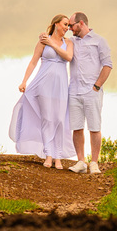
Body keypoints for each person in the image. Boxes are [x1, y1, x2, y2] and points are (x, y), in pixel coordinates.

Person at [10, 14, 77, 168]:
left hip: (60, 86)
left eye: (68, 25)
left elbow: (68, 57)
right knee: (47, 119)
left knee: (59, 120)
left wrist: (52, 44)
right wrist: (24, 81)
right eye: (65, 24)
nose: (67, 28)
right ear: (56, 24)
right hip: (43, 85)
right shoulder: (42, 41)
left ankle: (58, 157)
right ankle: (48, 155)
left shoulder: (68, 43)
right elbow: (33, 61)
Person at [65, 12, 112, 175]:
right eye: (69, 26)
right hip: (74, 90)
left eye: (71, 25)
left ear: (81, 23)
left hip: (92, 91)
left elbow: (107, 65)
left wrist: (97, 87)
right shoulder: (71, 42)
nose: (70, 29)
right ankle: (81, 161)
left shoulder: (99, 41)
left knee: (94, 127)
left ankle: (94, 163)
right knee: (76, 127)